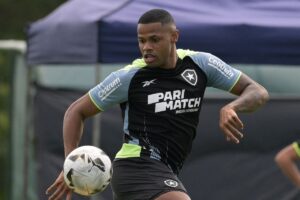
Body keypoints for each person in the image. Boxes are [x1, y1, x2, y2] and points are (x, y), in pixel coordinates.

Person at [45, 8, 269, 200]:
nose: (146, 47)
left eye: (154, 39)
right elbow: (76, 111)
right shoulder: (130, 77)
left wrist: (232, 107)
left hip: (166, 170)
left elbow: (257, 92)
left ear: (174, 36)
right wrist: (70, 163)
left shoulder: (200, 64)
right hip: (136, 166)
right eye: (142, 41)